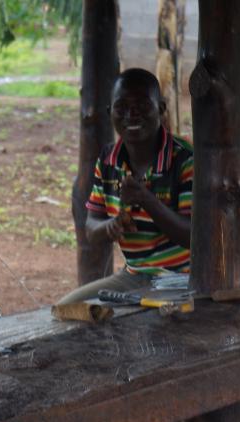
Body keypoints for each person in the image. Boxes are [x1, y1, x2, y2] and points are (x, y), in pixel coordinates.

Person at [57, 68, 193, 305]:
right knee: (67, 309)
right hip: (134, 275)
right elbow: (91, 227)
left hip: (182, 278)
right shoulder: (108, 160)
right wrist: (110, 226)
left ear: (161, 109)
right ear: (110, 112)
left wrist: (146, 199)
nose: (132, 114)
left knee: (148, 321)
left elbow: (194, 236)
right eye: (121, 107)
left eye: (143, 106)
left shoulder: (184, 159)